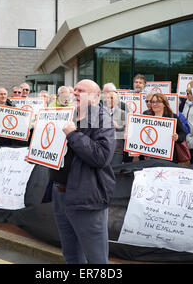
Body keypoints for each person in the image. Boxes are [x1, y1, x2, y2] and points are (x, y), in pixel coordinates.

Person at [52, 79, 116, 264]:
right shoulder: (68, 115)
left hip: (86, 198)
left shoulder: (100, 117)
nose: (76, 93)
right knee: (71, 255)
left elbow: (102, 156)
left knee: (96, 258)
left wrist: (73, 134)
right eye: (75, 89)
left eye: (82, 90)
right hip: (61, 194)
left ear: (96, 97)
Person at [143, 92, 187, 164]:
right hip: (150, 157)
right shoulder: (146, 115)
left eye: (158, 102)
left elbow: (183, 134)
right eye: (153, 102)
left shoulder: (173, 117)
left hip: (168, 158)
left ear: (164, 104)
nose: (154, 104)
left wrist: (177, 137)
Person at [103, 90, 126, 166]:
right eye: (108, 98)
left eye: (112, 98)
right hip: (101, 149)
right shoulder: (99, 112)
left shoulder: (123, 113)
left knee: (115, 173)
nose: (109, 100)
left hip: (116, 150)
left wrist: (117, 126)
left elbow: (127, 132)